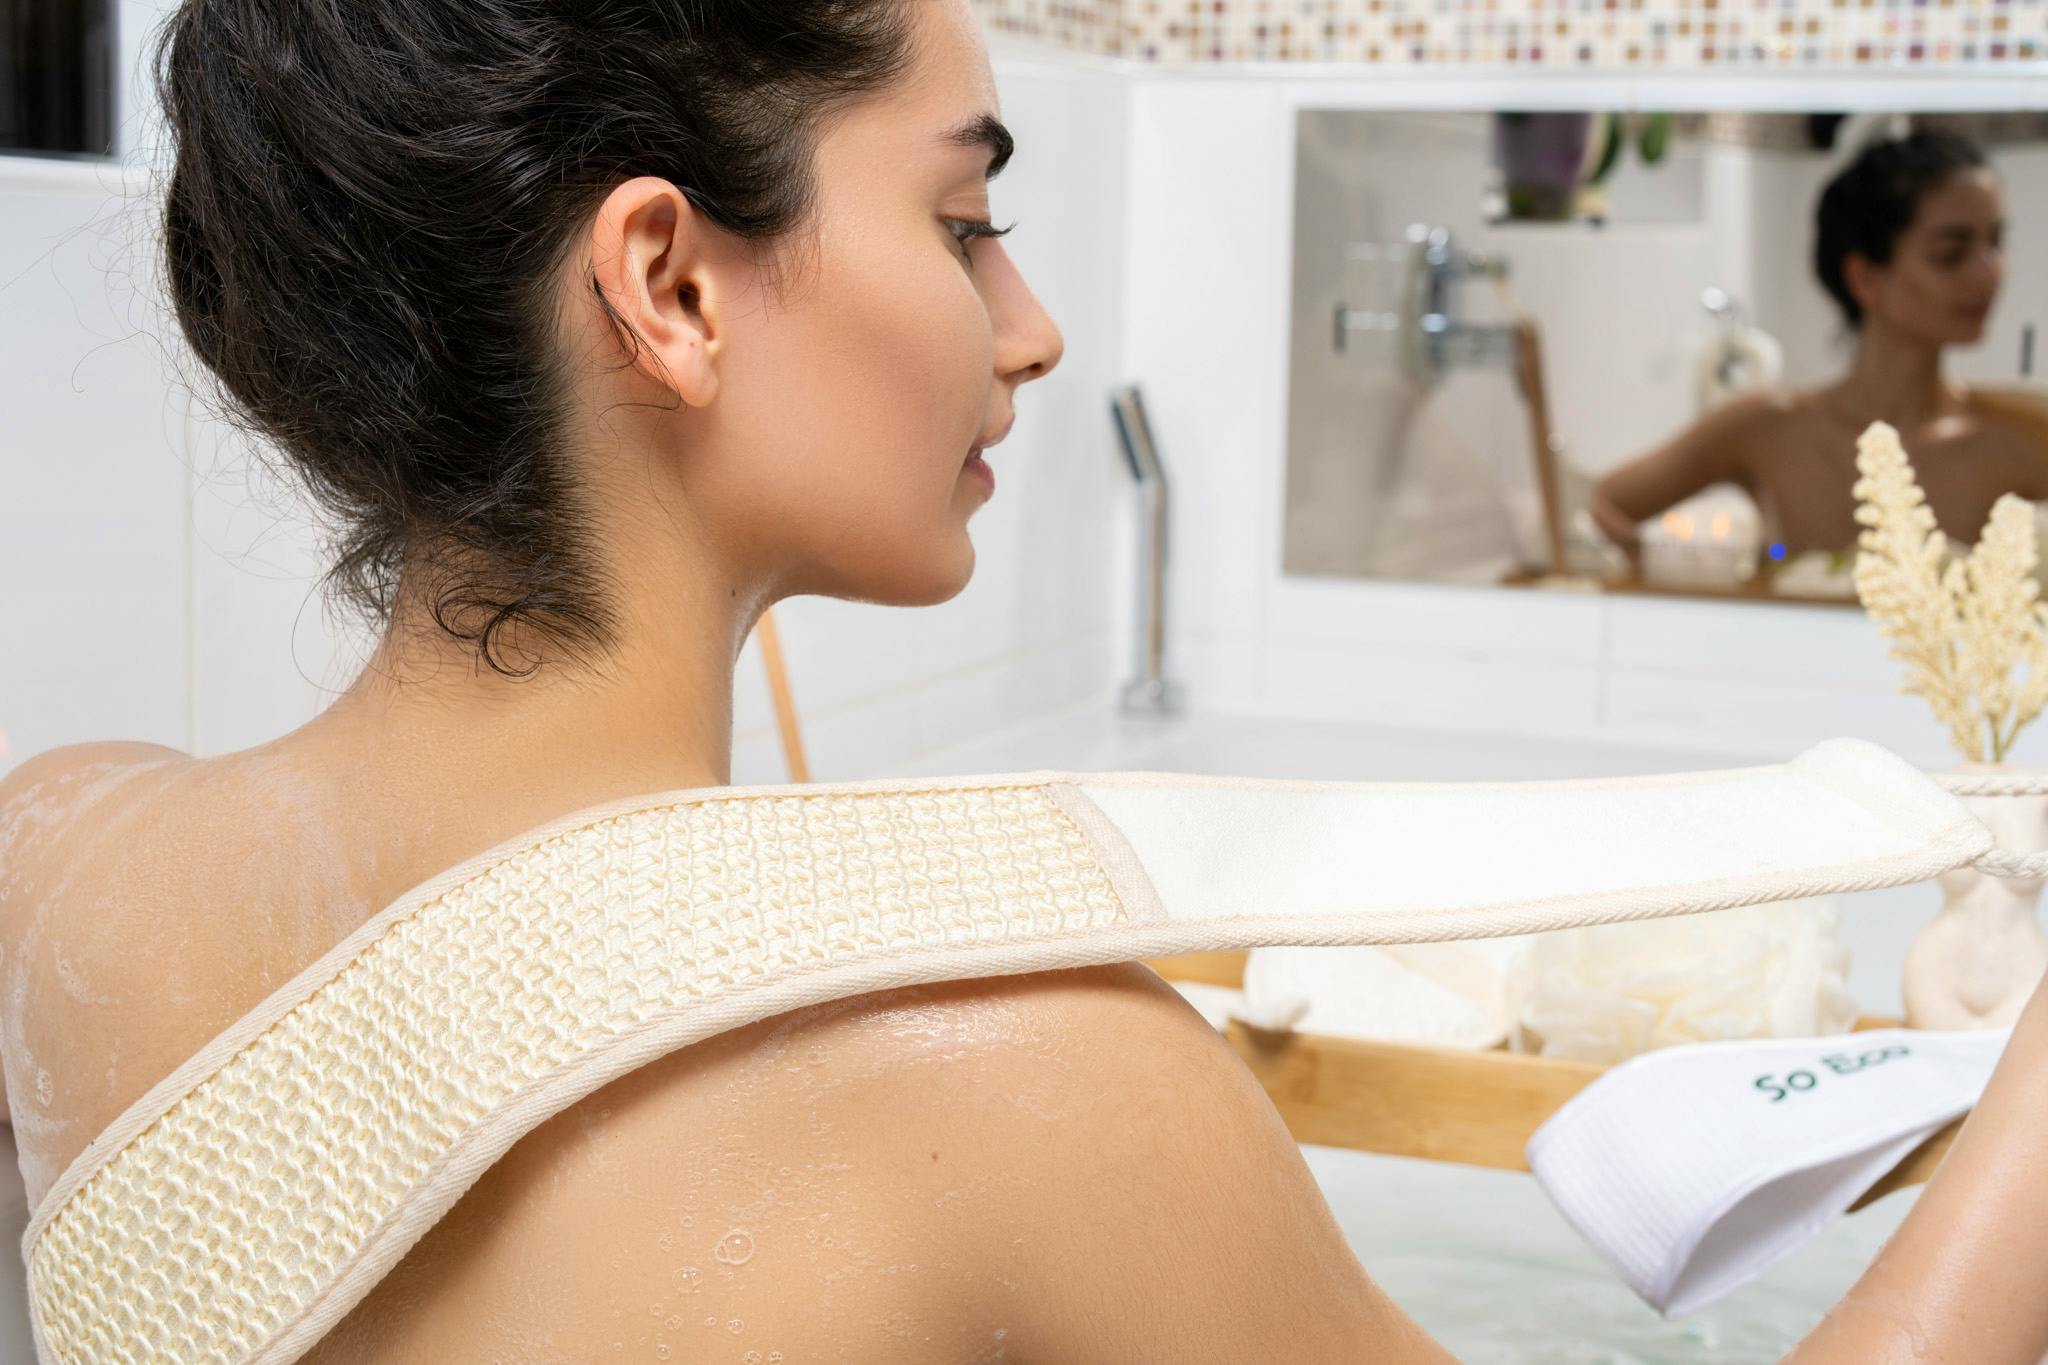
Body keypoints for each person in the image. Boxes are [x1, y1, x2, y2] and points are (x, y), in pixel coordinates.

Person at [2, 4, 2048, 1359]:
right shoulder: (1029, 1081)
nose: (1033, 321)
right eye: (963, 218)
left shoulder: (58, 863)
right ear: (670, 283)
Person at [1591, 127, 2048, 574]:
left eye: (1995, 243)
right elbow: (1595, 512)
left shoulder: (2017, 435)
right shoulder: (1766, 428)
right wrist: (1696, 591)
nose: (1988, 272)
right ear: (1865, 277)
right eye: (1951, 253)